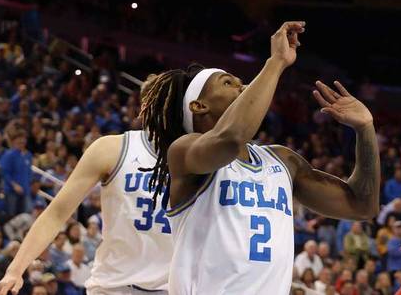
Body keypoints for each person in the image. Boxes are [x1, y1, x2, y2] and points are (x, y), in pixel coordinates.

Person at [137, 22, 380, 294]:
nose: (244, 89)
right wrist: (276, 62)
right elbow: (230, 138)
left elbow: (362, 206)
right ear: (199, 105)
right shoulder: (184, 153)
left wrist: (365, 129)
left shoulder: (282, 161)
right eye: (228, 83)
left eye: (244, 83)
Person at [0, 131, 173, 294]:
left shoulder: (198, 161)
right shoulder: (113, 148)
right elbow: (56, 214)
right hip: (113, 286)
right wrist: (15, 269)